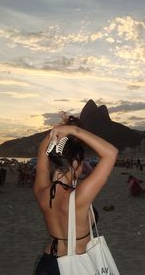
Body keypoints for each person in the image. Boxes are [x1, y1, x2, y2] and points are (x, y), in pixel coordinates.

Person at [33, 115, 118, 275]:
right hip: (75, 267)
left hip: (47, 265)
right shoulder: (79, 197)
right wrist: (73, 130)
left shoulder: (41, 190)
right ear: (75, 163)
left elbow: (41, 152)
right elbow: (111, 153)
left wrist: (56, 133)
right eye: (82, 164)